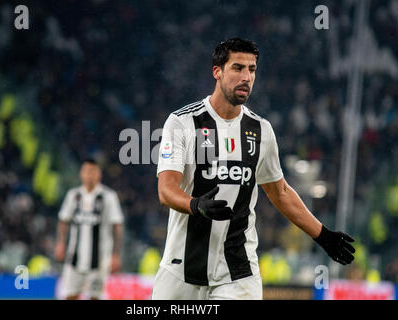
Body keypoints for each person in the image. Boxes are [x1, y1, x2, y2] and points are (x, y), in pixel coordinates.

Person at [152, 38, 355, 300]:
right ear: (217, 71)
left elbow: (279, 191)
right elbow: (166, 190)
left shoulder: (261, 130)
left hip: (238, 272)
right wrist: (196, 205)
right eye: (238, 68)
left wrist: (322, 234)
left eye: (252, 69)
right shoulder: (181, 122)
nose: (246, 77)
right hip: (181, 269)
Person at [54, 158, 124, 300]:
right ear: (81, 173)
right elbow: (63, 221)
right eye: (86, 171)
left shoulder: (108, 196)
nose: (89, 174)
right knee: (70, 295)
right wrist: (60, 243)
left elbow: (117, 225)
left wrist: (116, 254)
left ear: (99, 174)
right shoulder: (73, 196)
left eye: (93, 171)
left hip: (99, 261)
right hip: (74, 258)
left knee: (95, 297)